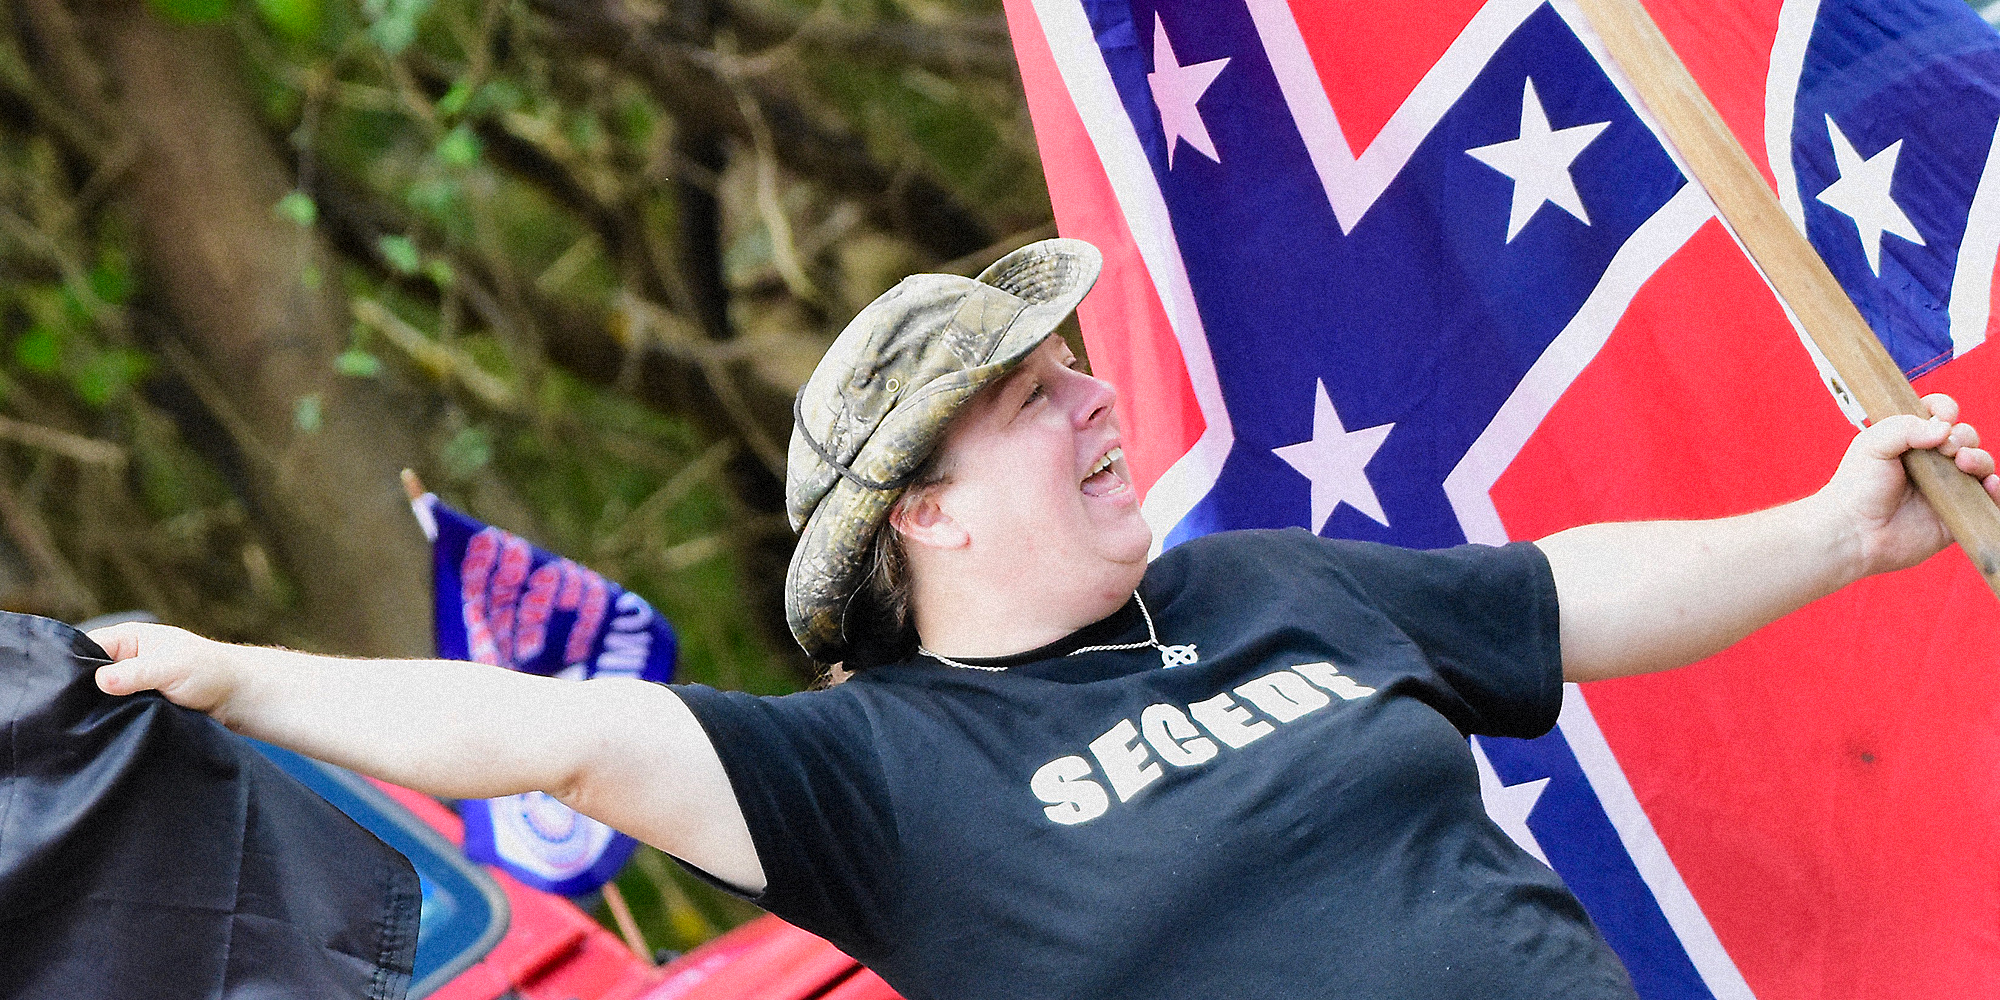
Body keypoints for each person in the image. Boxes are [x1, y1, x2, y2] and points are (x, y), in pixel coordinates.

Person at [89, 240, 2000, 999]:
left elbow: (1570, 596)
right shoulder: (870, 775)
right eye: (1035, 398)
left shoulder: (1265, 586)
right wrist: (237, 674)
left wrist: (1833, 536)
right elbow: (557, 736)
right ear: (923, 511)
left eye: (1081, 369)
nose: (1101, 401)